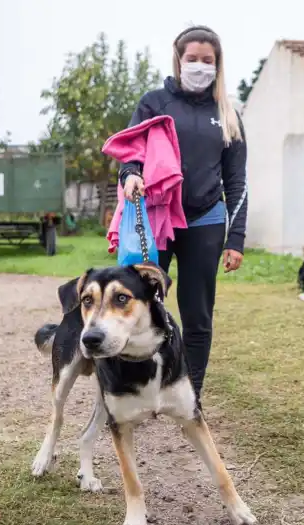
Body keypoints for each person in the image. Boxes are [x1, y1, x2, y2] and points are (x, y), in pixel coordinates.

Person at [119, 25, 247, 401]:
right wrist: (130, 175)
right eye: (192, 58)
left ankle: (190, 395)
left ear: (218, 64)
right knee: (141, 306)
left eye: (208, 60)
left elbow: (237, 181)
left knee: (197, 316)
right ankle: (138, 389)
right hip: (157, 217)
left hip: (205, 220)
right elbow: (131, 151)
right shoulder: (154, 102)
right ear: (178, 59)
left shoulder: (227, 113)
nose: (199, 66)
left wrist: (236, 238)